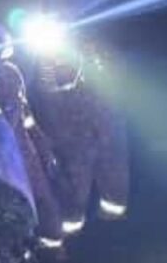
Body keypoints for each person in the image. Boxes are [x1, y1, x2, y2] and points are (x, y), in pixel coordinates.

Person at [0, 19, 62, 247]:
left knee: (41, 204)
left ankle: (51, 250)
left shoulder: (9, 74)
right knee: (10, 211)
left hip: (19, 154)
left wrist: (44, 148)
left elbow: (24, 115)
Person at [33, 38, 129, 238]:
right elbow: (46, 91)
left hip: (100, 131)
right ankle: (70, 234)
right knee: (74, 187)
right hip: (69, 138)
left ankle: (114, 225)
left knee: (112, 177)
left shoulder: (94, 55)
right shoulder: (46, 63)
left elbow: (111, 82)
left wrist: (91, 58)